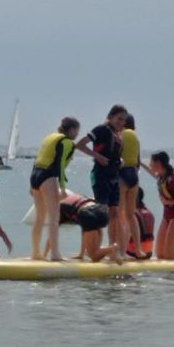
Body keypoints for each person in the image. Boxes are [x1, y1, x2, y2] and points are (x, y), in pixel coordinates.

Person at [75, 105, 128, 256]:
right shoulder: (101, 130)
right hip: (100, 176)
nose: (121, 122)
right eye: (119, 119)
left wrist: (121, 160)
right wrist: (97, 156)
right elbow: (80, 145)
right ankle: (90, 250)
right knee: (100, 213)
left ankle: (112, 249)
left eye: (124, 120)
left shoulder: (119, 134)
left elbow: (114, 154)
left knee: (115, 214)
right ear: (110, 117)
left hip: (114, 177)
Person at [30, 117, 80, 260]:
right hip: (48, 176)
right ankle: (55, 254)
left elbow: (38, 159)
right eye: (76, 131)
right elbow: (61, 167)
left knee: (40, 217)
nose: (77, 135)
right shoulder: (67, 142)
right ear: (70, 130)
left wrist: (31, 185)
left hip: (35, 175)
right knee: (54, 217)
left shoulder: (49, 137)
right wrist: (63, 188)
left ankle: (35, 254)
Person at [46, 193, 118, 262]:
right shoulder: (75, 197)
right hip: (102, 212)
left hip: (88, 214)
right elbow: (84, 230)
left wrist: (44, 255)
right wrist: (81, 254)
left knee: (93, 255)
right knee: (95, 253)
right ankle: (108, 252)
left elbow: (52, 234)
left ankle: (112, 248)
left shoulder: (59, 209)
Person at [119, 113, 146, 257]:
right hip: (134, 175)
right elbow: (137, 161)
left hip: (122, 174)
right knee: (130, 214)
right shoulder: (135, 137)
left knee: (118, 214)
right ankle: (138, 249)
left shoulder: (120, 134)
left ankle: (120, 251)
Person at [126, 187, 155, 259]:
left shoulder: (130, 214)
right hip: (148, 253)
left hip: (133, 253)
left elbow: (125, 237)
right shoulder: (149, 213)